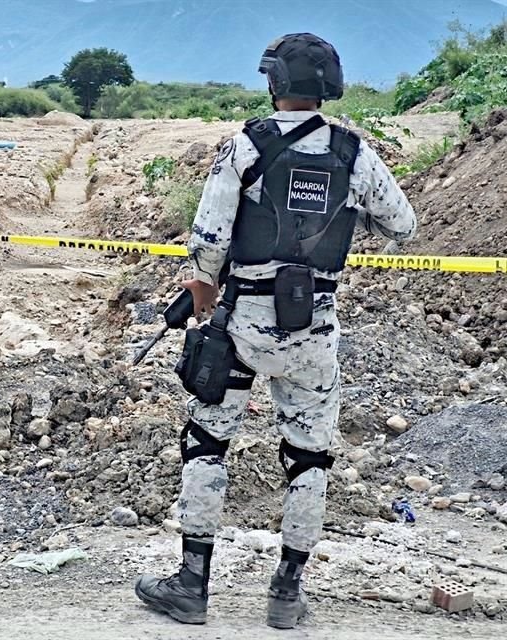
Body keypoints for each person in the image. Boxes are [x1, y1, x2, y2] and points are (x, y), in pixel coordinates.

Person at [134, 33, 417, 629]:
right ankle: (287, 595)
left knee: (207, 443)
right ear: (328, 86)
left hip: (241, 323)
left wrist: (202, 292)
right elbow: (403, 225)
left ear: (275, 84)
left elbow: (209, 240)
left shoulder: (246, 146)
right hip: (314, 326)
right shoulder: (354, 153)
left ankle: (191, 585)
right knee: (310, 459)